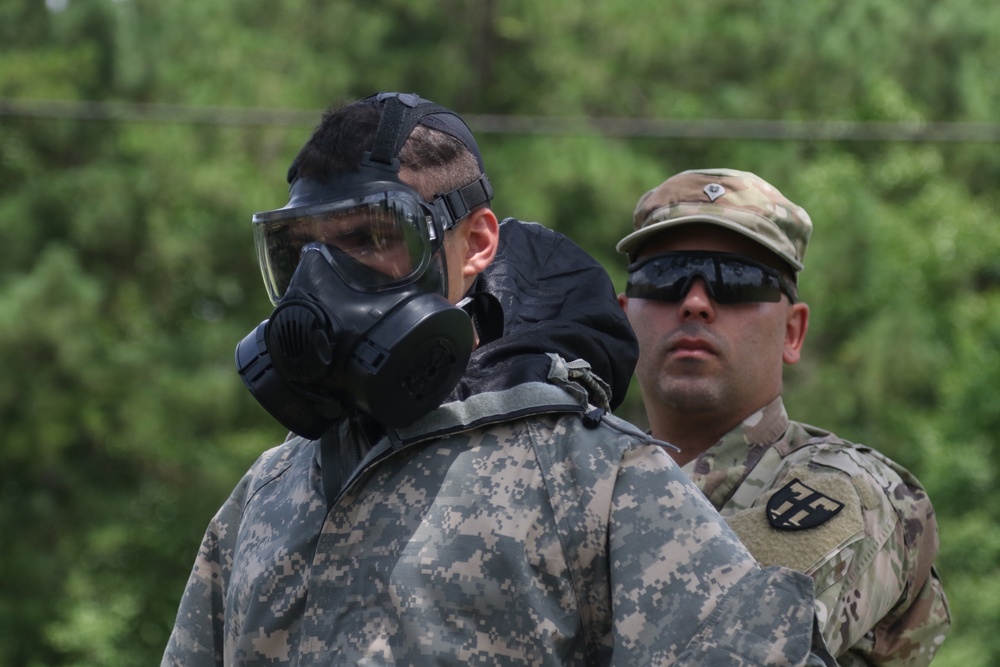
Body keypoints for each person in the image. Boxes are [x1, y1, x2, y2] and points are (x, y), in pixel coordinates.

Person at [162, 95, 835, 667]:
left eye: (372, 237)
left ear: (477, 243)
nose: (326, 281)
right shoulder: (267, 492)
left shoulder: (590, 475)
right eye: (303, 250)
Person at [617, 167, 951, 666]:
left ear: (793, 332)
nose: (694, 303)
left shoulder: (850, 490)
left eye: (738, 281)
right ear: (624, 315)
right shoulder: (591, 481)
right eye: (663, 277)